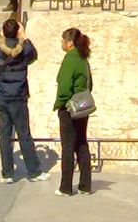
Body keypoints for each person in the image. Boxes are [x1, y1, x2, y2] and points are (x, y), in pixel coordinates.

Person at [0, 17, 49, 183]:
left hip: (1, 95)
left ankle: (7, 173)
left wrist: (0, 34)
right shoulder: (24, 49)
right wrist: (24, 35)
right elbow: (33, 55)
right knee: (24, 134)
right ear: (18, 31)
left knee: (4, 135)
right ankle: (34, 171)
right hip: (18, 95)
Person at [54, 27, 93, 197]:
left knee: (68, 147)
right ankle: (85, 185)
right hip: (83, 106)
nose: (62, 43)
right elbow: (90, 84)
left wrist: (61, 102)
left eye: (63, 40)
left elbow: (64, 85)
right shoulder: (83, 59)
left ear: (69, 42)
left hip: (69, 107)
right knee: (82, 144)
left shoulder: (70, 59)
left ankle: (66, 187)